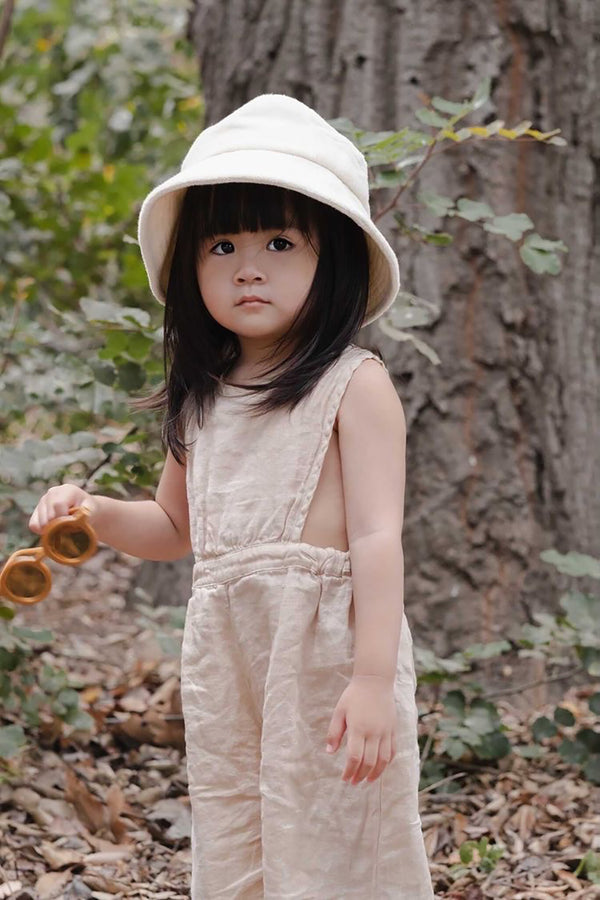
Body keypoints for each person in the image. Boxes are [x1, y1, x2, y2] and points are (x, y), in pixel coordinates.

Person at [29, 95, 434, 899]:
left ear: (336, 261)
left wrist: (371, 681)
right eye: (223, 244)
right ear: (192, 269)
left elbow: (378, 538)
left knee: (337, 833)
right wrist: (94, 514)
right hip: (230, 658)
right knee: (240, 825)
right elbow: (176, 527)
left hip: (325, 656)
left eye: (280, 241)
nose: (249, 265)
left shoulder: (354, 385)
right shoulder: (202, 397)